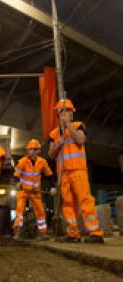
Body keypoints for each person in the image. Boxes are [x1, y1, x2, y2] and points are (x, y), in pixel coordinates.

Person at [48, 99, 104, 243]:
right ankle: (73, 233)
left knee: (85, 199)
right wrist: (57, 145)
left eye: (67, 111)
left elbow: (80, 140)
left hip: (78, 169)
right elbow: (51, 155)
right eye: (61, 112)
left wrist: (67, 126)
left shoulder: (77, 126)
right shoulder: (54, 134)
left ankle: (95, 232)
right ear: (57, 115)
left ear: (71, 114)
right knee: (67, 203)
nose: (64, 114)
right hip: (63, 172)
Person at [12, 139, 56, 240]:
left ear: (37, 151)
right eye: (29, 149)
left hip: (35, 191)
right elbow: (16, 174)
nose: (29, 151)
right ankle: (17, 232)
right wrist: (18, 182)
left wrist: (52, 187)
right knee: (20, 210)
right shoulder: (22, 161)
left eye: (31, 149)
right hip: (23, 190)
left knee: (40, 211)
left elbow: (49, 175)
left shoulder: (42, 162)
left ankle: (43, 233)